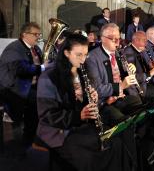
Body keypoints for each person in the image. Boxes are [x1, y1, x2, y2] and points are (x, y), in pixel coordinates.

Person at [37, 33, 132, 171]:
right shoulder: (49, 77)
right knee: (93, 156)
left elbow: (85, 106)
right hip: (59, 131)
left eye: (85, 55)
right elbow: (47, 115)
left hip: (81, 126)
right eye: (79, 55)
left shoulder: (82, 72)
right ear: (66, 53)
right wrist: (79, 115)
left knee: (115, 143)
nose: (83, 59)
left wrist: (92, 99)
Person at [86, 23, 142, 123]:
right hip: (105, 102)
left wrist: (129, 69)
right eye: (113, 39)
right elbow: (96, 89)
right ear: (102, 38)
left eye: (118, 38)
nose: (117, 42)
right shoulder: (92, 58)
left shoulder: (118, 53)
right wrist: (120, 86)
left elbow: (122, 75)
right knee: (122, 121)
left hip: (120, 96)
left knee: (140, 106)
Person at [0, 22, 46, 145]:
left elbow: (41, 64)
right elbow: (19, 69)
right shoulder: (14, 48)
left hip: (31, 88)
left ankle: (30, 141)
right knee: (16, 123)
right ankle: (14, 147)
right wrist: (42, 68)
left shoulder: (35, 48)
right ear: (24, 34)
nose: (38, 37)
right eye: (35, 34)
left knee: (34, 116)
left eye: (39, 34)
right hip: (15, 89)